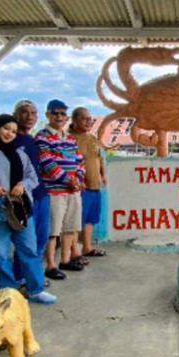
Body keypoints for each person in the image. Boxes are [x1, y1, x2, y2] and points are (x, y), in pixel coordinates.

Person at [0, 114, 57, 304]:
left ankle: (35, 289)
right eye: (6, 128)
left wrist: (23, 184)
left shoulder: (19, 153)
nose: (10, 134)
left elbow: (33, 177)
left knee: (29, 250)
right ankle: (9, 292)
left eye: (14, 131)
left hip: (21, 209)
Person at [11, 100, 61, 283]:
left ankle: (34, 276)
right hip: (24, 198)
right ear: (16, 114)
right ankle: (20, 280)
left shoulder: (32, 140)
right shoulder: (12, 139)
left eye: (33, 113)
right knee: (25, 243)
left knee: (41, 239)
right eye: (24, 112)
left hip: (41, 195)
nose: (29, 117)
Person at [35, 99, 85, 279]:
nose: (59, 116)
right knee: (53, 230)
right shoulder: (42, 136)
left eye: (63, 113)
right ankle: (50, 265)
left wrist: (78, 178)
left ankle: (65, 260)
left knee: (71, 227)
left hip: (73, 190)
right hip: (54, 190)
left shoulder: (70, 139)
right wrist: (68, 180)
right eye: (55, 113)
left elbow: (79, 161)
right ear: (48, 115)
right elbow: (46, 162)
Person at [70, 107, 108, 259]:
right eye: (84, 118)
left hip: (94, 185)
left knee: (90, 219)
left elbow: (99, 158)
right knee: (75, 221)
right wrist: (77, 180)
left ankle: (87, 247)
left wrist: (103, 175)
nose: (88, 122)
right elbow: (67, 161)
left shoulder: (92, 138)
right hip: (79, 187)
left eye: (90, 119)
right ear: (74, 120)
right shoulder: (70, 138)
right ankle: (74, 253)